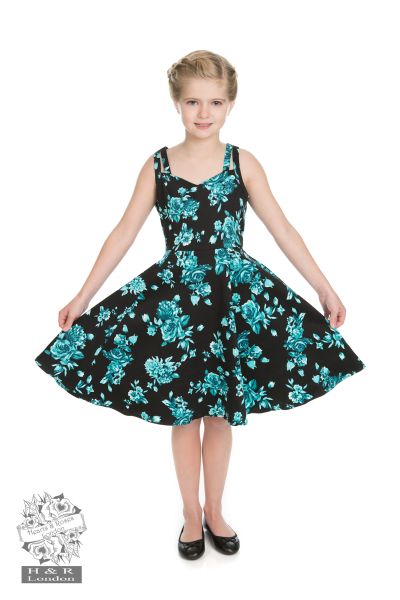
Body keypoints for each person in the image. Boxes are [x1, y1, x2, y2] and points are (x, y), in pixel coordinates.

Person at [34, 50, 366, 560]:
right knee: (184, 415)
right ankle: (190, 513)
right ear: (177, 103)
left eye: (214, 102)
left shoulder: (242, 163)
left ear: (230, 104)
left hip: (232, 303)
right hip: (178, 309)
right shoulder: (158, 165)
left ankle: (215, 510)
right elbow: (123, 233)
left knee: (221, 416)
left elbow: (283, 229)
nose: (203, 112)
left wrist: (324, 287)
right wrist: (83, 297)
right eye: (192, 102)